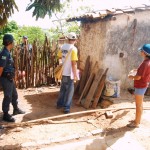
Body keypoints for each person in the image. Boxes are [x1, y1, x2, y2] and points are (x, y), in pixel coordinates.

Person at [0, 34, 25, 122]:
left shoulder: (7, 52)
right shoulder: (4, 53)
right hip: (5, 78)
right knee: (8, 96)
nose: (13, 43)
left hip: (9, 78)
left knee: (14, 94)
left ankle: (16, 109)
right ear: (9, 42)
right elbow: (1, 68)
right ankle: (6, 114)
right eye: (12, 41)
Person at [127, 44, 150, 128]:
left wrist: (131, 76)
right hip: (144, 85)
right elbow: (145, 72)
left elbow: (138, 77)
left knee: (138, 105)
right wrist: (137, 70)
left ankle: (136, 123)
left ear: (144, 53)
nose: (140, 52)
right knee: (140, 104)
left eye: (141, 50)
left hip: (140, 86)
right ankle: (138, 120)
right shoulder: (147, 62)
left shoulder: (145, 63)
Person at [56, 32, 78, 114]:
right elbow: (73, 63)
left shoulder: (62, 47)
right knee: (70, 90)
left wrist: (62, 64)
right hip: (69, 73)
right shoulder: (74, 49)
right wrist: (75, 74)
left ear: (68, 39)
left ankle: (59, 104)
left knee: (63, 88)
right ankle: (66, 107)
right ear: (75, 40)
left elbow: (59, 57)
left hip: (63, 72)